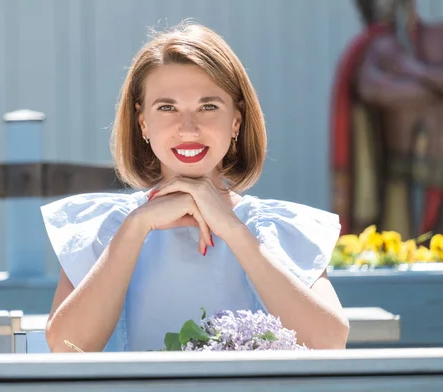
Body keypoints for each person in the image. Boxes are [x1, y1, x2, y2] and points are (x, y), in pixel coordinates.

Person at [41, 21, 349, 353]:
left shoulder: (278, 229)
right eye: (167, 107)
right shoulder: (105, 227)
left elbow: (330, 343)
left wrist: (233, 229)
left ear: (236, 121)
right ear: (143, 122)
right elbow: (66, 348)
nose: (188, 129)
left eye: (208, 107)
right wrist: (136, 225)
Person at [331, 0, 443, 239]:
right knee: (398, 250)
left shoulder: (430, 40)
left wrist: (410, 68)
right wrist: (430, 85)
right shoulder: (376, 47)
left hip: (437, 171)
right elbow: (374, 89)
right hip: (398, 174)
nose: (386, 5)